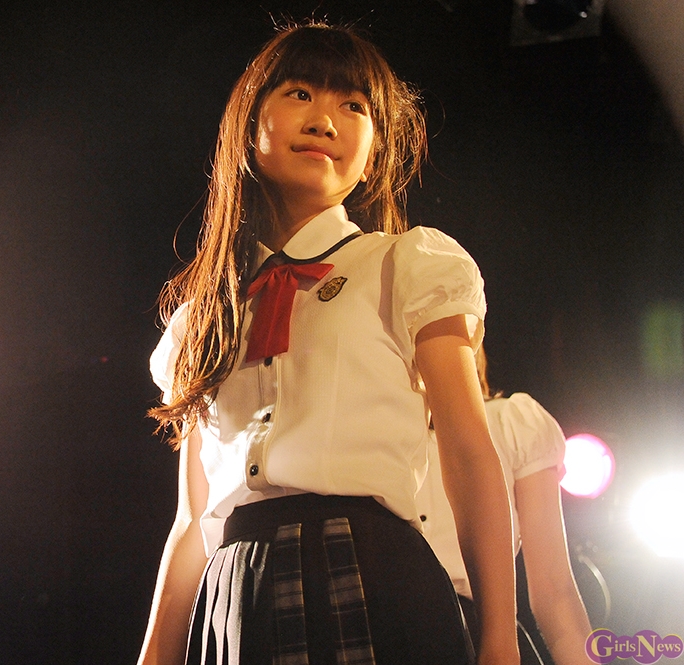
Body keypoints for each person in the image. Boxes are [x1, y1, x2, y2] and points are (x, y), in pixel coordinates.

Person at [138, 22, 519, 665]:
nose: (324, 120)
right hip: (236, 594)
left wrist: (500, 640)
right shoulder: (205, 318)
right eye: (299, 94)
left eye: (354, 105)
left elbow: (468, 452)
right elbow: (191, 521)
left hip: (373, 572)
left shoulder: (406, 264)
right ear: (249, 124)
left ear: (374, 149)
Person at [417, 346, 594, 665]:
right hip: (388, 625)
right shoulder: (366, 431)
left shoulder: (510, 423)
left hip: (481, 636)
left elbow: (554, 588)